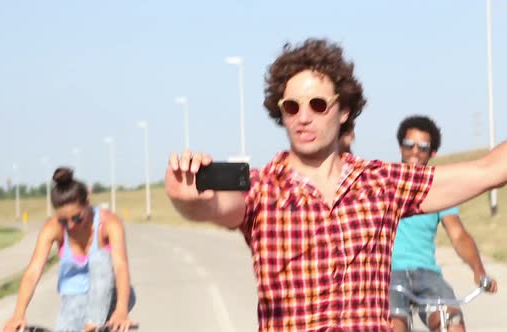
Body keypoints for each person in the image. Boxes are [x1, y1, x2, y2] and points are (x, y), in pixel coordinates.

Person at [164, 37, 507, 331]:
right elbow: (211, 206)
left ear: (343, 110)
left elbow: (487, 171)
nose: (303, 117)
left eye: (317, 104)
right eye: (291, 106)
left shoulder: (381, 183)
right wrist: (186, 197)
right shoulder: (264, 189)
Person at [390, 115, 498, 332]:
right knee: (392, 324)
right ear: (400, 146)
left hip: (427, 274)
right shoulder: (386, 183)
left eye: (423, 147)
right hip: (390, 273)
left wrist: (478, 270)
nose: (414, 152)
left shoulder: (438, 190)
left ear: (433, 153)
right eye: (409, 145)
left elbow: (458, 235)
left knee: (453, 322)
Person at [3, 167, 136, 332]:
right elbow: (33, 272)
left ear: (87, 203)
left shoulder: (109, 223)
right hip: (75, 301)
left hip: (112, 294)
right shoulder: (52, 228)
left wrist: (121, 311)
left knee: (100, 260)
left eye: (77, 218)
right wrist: (18, 314)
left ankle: (92, 325)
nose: (71, 226)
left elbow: (121, 267)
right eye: (64, 221)